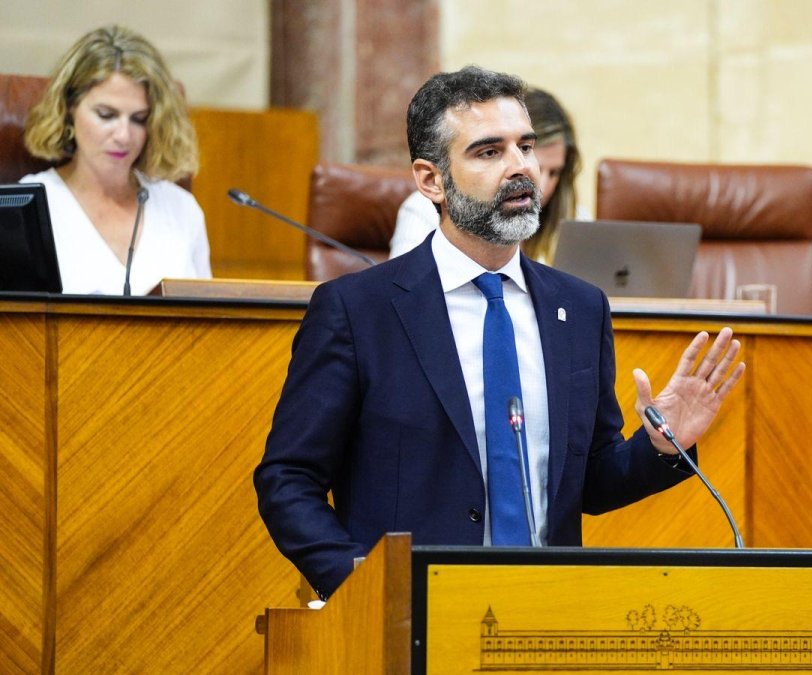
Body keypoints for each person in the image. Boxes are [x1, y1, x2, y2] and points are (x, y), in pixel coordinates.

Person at [255, 65, 745, 599]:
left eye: (526, 147)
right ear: (430, 180)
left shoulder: (579, 307)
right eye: (489, 152)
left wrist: (661, 445)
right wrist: (366, 586)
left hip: (544, 613)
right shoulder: (357, 310)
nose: (521, 169)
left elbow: (592, 482)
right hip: (407, 618)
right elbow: (288, 480)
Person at [21, 25, 211, 295]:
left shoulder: (181, 208)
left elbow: (209, 327)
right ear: (69, 108)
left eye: (138, 119)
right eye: (106, 115)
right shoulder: (31, 203)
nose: (123, 136)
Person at [388, 87, 579, 263]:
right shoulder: (424, 209)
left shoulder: (573, 218)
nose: (542, 186)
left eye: (554, 173)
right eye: (490, 153)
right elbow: (402, 289)